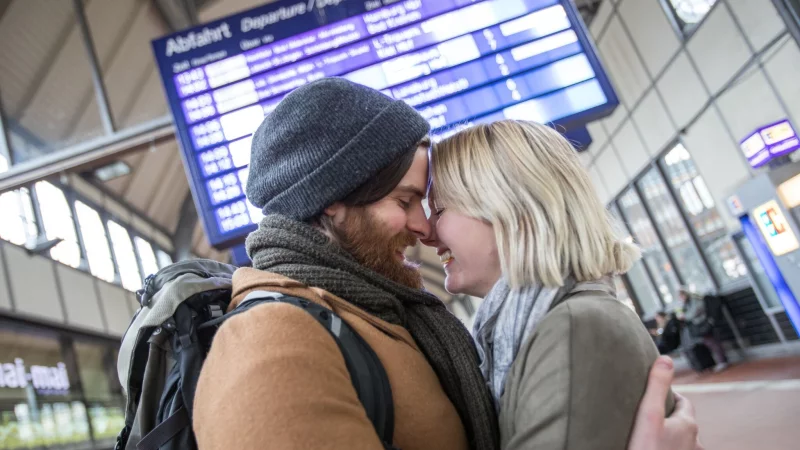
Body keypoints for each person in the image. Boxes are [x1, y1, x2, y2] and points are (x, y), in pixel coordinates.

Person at [192, 78, 701, 450]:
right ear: (333, 202)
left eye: (434, 206)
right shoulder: (273, 340)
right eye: (406, 201)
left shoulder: (370, 317)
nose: (423, 227)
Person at [424, 119, 679, 449]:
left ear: (511, 206)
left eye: (439, 209)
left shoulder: (573, 327)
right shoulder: (542, 325)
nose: (427, 233)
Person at [679, 287, 729, 372]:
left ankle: (722, 361)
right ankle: (720, 361)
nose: (681, 299)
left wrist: (684, 316)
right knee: (709, 342)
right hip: (700, 325)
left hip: (704, 323)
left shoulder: (695, 300)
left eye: (681, 296)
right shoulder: (688, 303)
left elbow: (694, 312)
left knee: (712, 342)